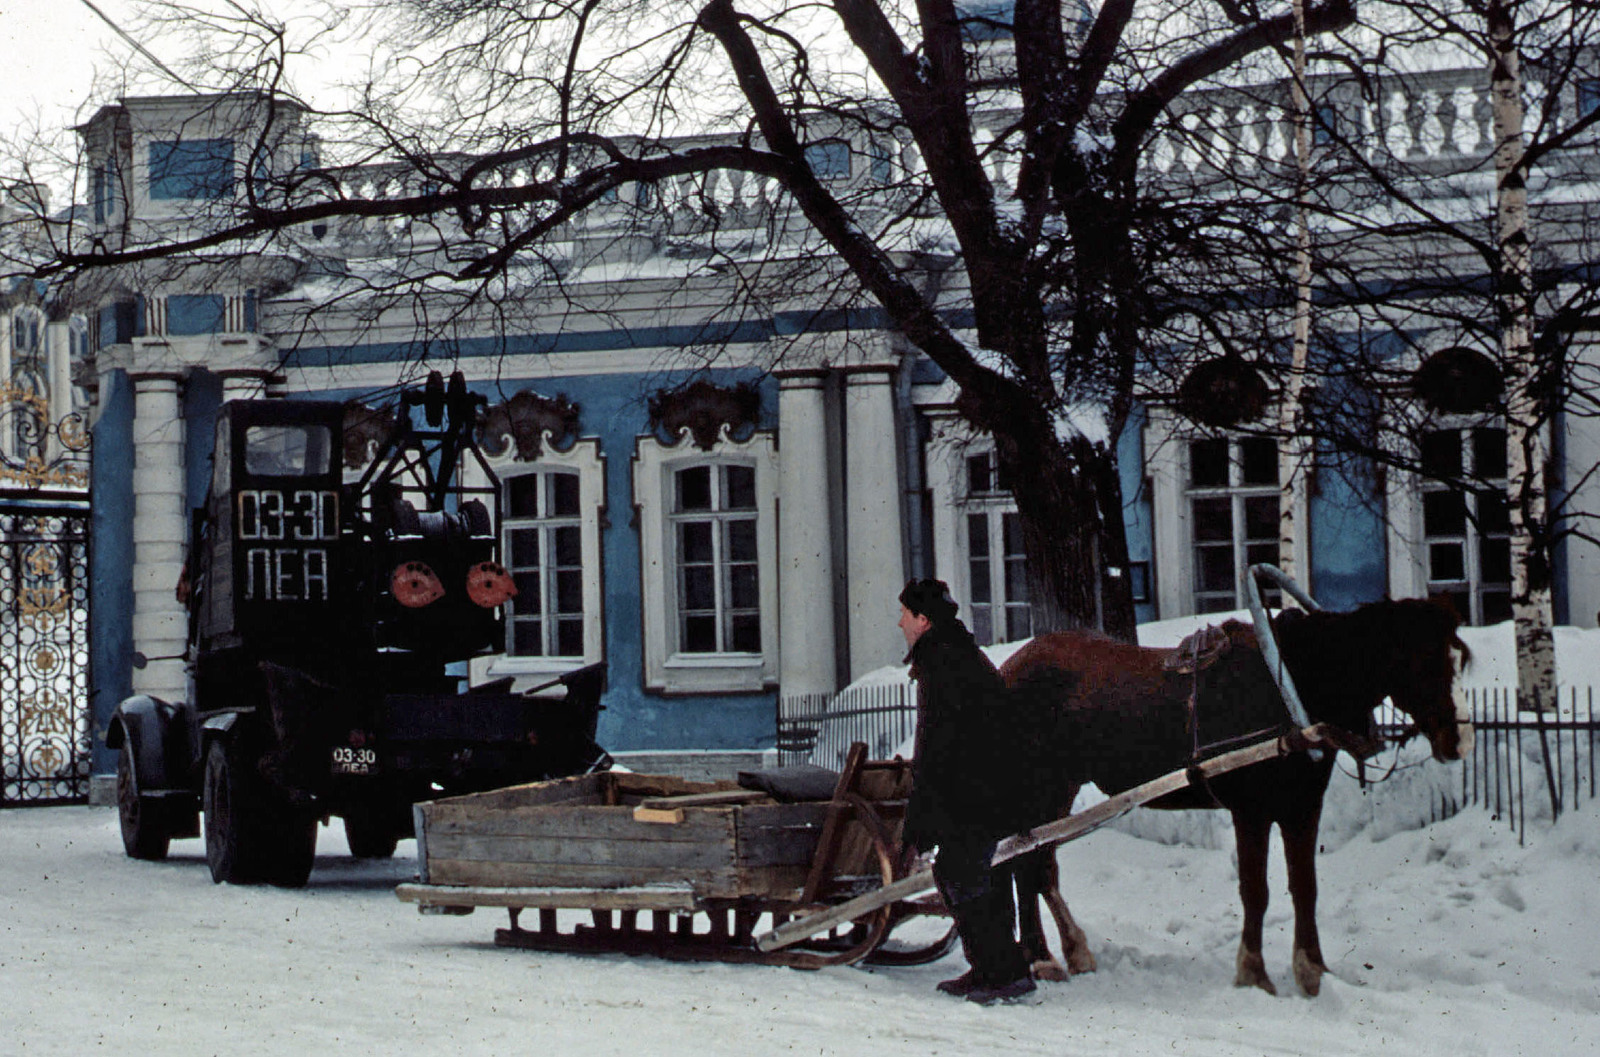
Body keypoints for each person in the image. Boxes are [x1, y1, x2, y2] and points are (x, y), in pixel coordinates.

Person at [897, 578, 1036, 1005]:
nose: (899, 622)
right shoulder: (957, 654)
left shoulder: (942, 663)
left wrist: (922, 819)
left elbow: (938, 747)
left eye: (904, 614)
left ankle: (1004, 973)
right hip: (990, 789)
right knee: (978, 875)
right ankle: (993, 969)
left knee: (958, 874)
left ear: (923, 620)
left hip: (975, 793)